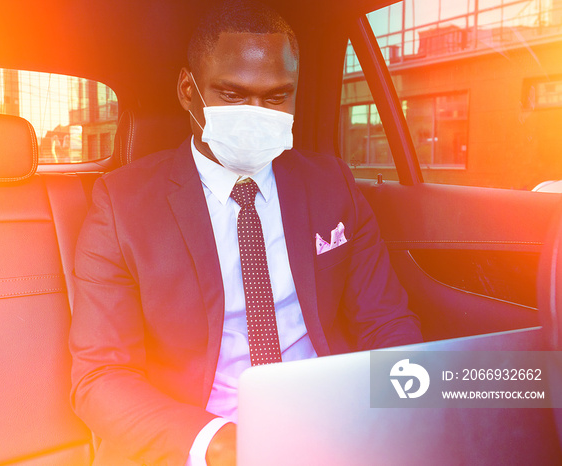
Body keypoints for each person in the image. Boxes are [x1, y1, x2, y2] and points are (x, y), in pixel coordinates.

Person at [69, 1, 423, 465]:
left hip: (331, 428)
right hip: (203, 437)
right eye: (232, 95)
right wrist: (216, 443)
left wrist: (408, 404)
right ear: (188, 91)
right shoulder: (122, 205)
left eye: (276, 97)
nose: (256, 114)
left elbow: (385, 320)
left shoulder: (331, 184)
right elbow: (100, 376)